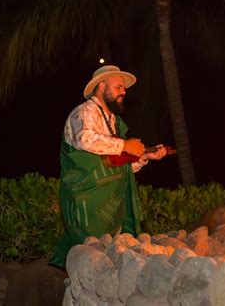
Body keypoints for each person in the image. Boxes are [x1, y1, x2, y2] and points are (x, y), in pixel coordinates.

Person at [49, 65, 168, 268]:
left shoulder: (114, 121)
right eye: (119, 86)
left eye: (124, 88)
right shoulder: (84, 112)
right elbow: (86, 139)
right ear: (101, 85)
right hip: (86, 200)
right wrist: (125, 145)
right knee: (89, 258)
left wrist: (145, 156)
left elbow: (117, 165)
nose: (124, 91)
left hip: (108, 206)